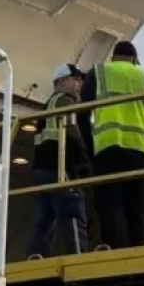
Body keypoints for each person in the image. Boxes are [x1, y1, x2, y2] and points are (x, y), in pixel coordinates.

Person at [77, 40, 144, 249]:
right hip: (140, 149)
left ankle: (112, 246)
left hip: (108, 146)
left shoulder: (99, 73)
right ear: (134, 59)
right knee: (137, 203)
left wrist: (89, 146)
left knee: (109, 201)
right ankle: (136, 247)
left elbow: (81, 114)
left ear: (113, 57)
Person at [27, 64, 94, 259]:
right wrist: (83, 163)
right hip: (59, 169)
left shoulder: (46, 106)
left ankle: (35, 260)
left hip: (42, 171)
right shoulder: (65, 101)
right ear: (62, 81)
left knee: (43, 221)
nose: (80, 84)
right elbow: (71, 133)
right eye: (76, 79)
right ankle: (78, 259)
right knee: (73, 213)